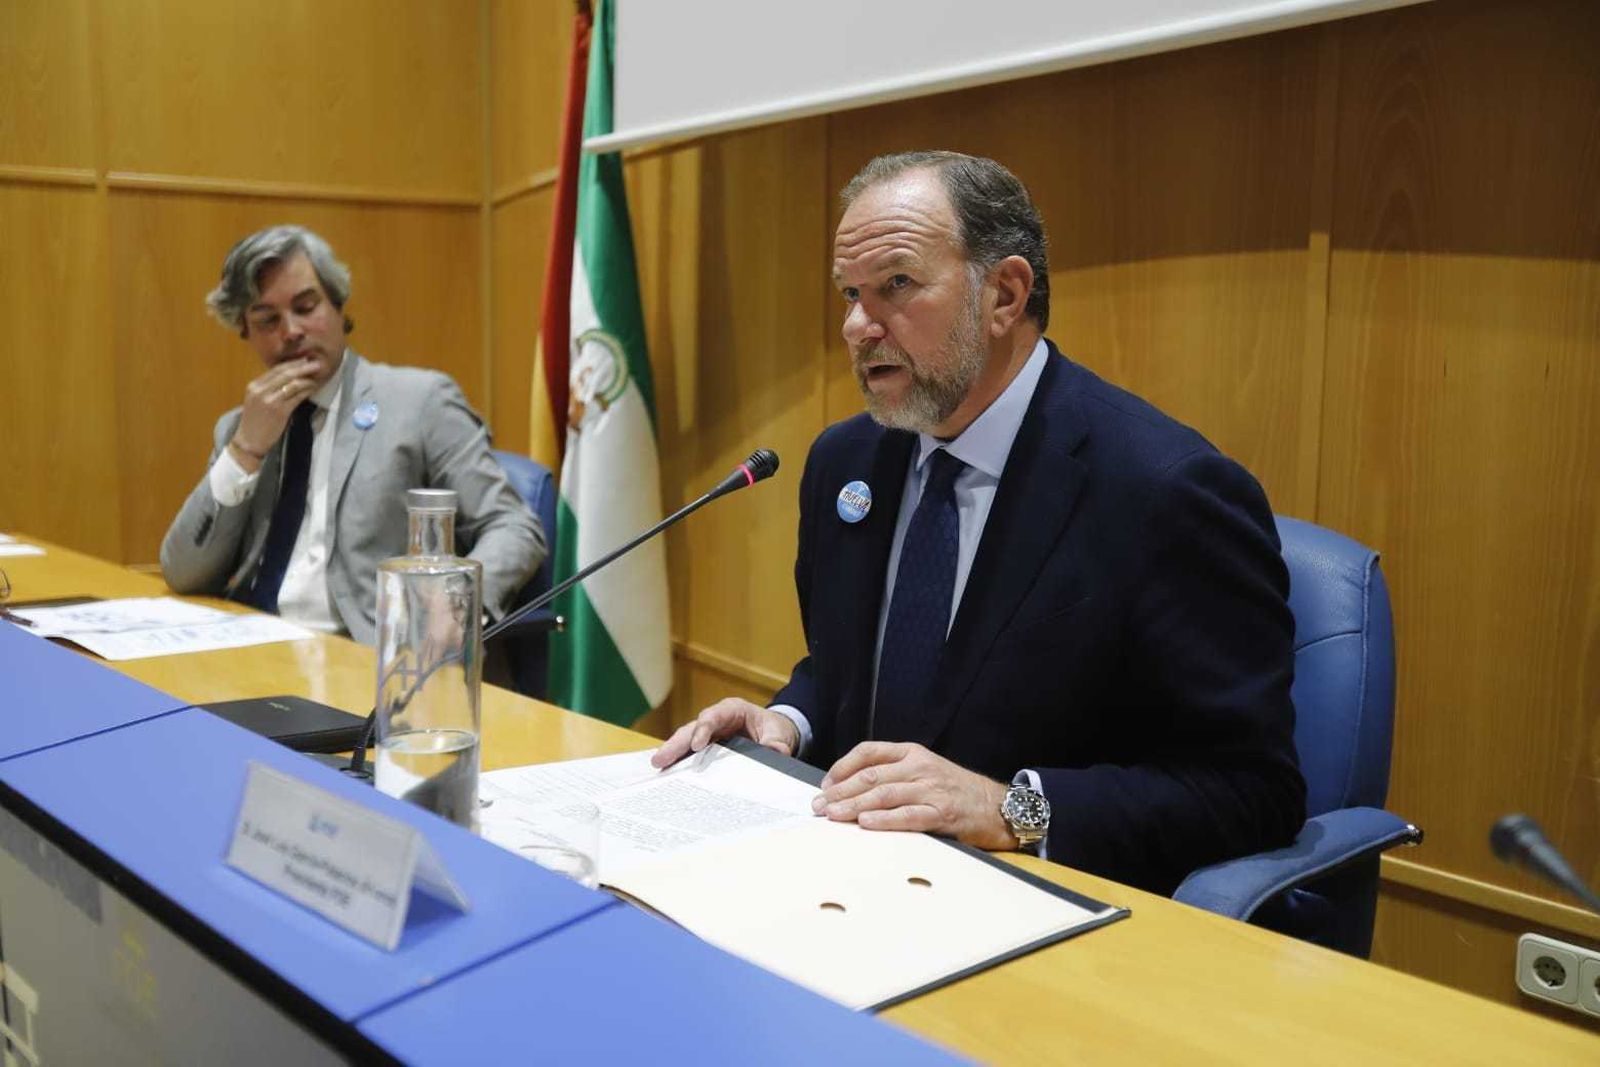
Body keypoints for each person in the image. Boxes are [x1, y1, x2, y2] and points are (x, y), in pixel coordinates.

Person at [654, 152, 1305, 895]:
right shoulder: (847, 461)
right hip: (852, 883)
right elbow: (845, 673)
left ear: (1004, 294)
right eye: (849, 294)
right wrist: (789, 725)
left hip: (1045, 910)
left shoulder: (1164, 491)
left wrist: (1013, 807)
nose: (859, 326)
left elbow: (1254, 791)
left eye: (895, 285)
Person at [161, 225, 544, 645]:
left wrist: (459, 600)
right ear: (246, 334)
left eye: (306, 307)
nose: (290, 331)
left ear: (339, 308)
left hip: (366, 654)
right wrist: (245, 452)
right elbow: (183, 572)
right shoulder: (241, 426)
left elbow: (513, 526)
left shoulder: (419, 402)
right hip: (253, 645)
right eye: (268, 320)